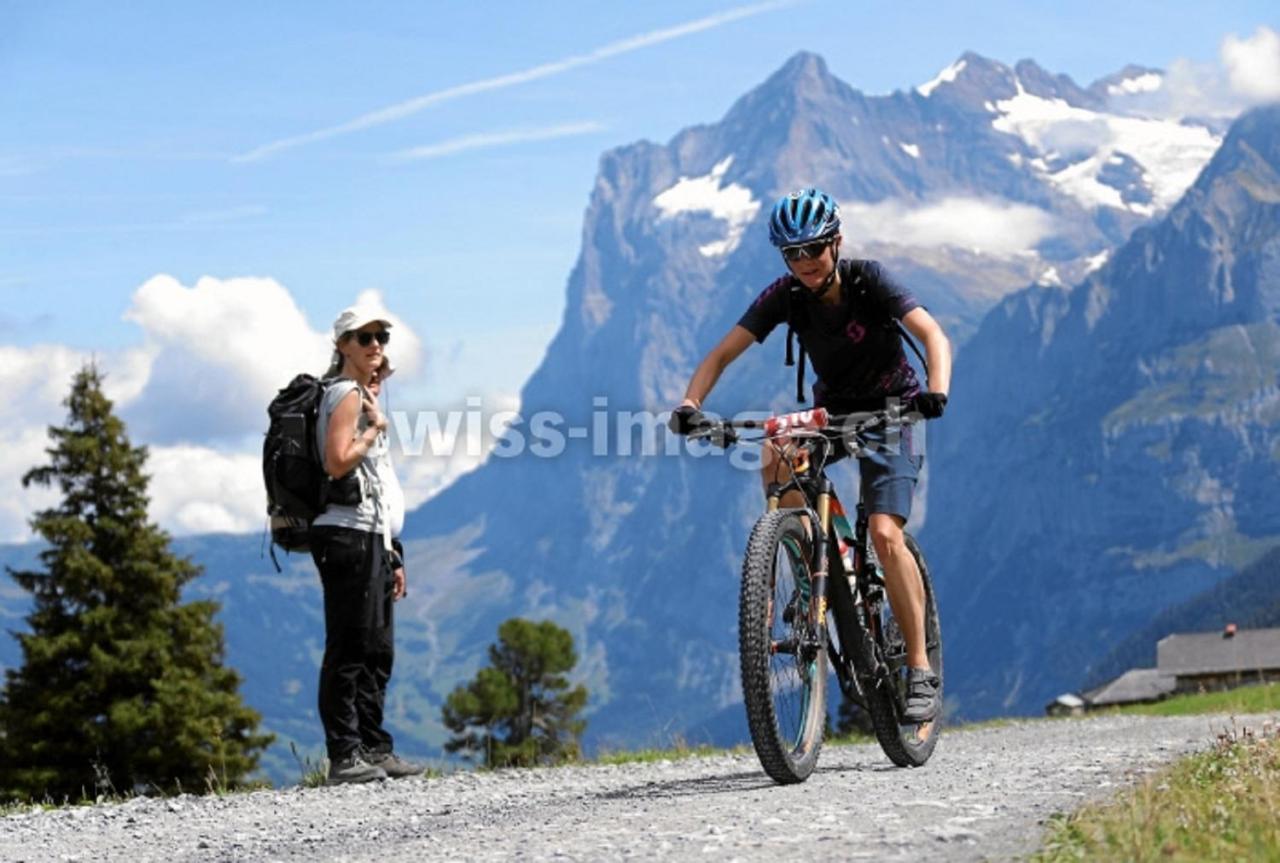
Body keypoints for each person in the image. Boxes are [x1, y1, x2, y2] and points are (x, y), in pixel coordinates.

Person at [669, 188, 953, 723]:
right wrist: (691, 403)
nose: (804, 263)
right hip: (833, 413)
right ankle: (802, 561)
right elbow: (721, 353)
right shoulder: (786, 296)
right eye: (792, 254)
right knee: (776, 450)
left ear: (836, 242)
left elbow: (932, 333)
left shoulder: (871, 280)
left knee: (886, 536)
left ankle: (918, 667)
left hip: (893, 412)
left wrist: (935, 390)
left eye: (814, 250)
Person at [311, 305, 420, 784]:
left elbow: (376, 482)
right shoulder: (343, 395)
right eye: (365, 338)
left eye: (382, 337)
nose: (376, 345)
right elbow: (337, 463)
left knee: (377, 648)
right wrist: (374, 428)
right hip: (346, 535)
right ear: (342, 345)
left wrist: (394, 552)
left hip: (372, 536)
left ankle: (374, 747)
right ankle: (345, 754)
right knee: (350, 647)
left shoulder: (362, 395)